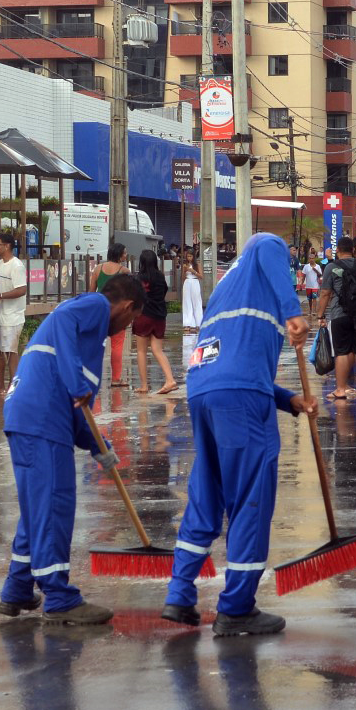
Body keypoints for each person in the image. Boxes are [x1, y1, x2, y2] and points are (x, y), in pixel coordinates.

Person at [162, 233, 314, 636]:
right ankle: (237, 606)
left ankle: (179, 595)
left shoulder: (229, 287)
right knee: (251, 497)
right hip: (241, 399)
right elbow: (266, 243)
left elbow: (232, 365)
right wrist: (294, 312)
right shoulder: (266, 247)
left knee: (207, 493)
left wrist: (288, 401)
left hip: (204, 390)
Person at [0, 273, 145, 625]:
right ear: (127, 308)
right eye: (132, 320)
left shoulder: (89, 340)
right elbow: (62, 322)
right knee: (54, 505)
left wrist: (100, 448)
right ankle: (60, 597)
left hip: (32, 416)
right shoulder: (94, 305)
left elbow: (81, 416)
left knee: (38, 507)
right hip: (42, 416)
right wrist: (76, 381)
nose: (126, 327)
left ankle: (17, 588)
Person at [316, 234, 356, 400]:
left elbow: (325, 293)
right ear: (352, 250)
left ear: (337, 251)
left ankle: (341, 389)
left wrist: (320, 315)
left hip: (340, 314)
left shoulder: (332, 267)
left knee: (342, 352)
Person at [0, 232, 28, 394]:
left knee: (11, 350)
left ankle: (13, 386)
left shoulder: (16, 266)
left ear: (7, 246)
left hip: (12, 315)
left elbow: (22, 289)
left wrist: (1, 296)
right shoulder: (1, 263)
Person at [133, 248, 178, 395]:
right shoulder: (160, 277)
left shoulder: (139, 278)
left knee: (141, 351)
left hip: (143, 315)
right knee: (157, 350)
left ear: (142, 262)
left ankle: (144, 385)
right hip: (159, 316)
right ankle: (170, 379)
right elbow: (164, 292)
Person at [97, 243, 130, 386]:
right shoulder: (124, 271)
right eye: (124, 253)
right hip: (117, 313)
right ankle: (116, 379)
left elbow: (91, 292)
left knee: (97, 346)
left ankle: (93, 379)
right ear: (119, 254)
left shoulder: (98, 269)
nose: (126, 255)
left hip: (100, 311)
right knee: (117, 346)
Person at [181, 256, 204, 334]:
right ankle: (188, 323)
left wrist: (193, 271)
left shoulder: (197, 265)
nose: (189, 258)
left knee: (196, 302)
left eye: (190, 256)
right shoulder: (185, 265)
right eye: (187, 256)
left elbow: (201, 276)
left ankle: (198, 322)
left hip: (195, 282)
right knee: (187, 302)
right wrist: (184, 271)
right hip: (187, 283)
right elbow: (182, 278)